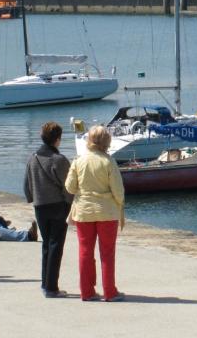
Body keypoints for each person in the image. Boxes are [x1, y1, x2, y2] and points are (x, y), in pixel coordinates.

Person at [65, 125, 126, 302]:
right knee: (107, 253)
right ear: (107, 142)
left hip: (84, 211)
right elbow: (118, 191)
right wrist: (120, 203)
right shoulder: (108, 161)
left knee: (85, 252)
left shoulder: (78, 161)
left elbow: (69, 187)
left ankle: (87, 291)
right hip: (106, 211)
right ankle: (110, 291)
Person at [24, 121, 73, 298]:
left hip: (40, 206)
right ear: (57, 139)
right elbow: (69, 186)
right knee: (56, 245)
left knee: (46, 244)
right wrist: (69, 204)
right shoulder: (59, 160)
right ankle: (52, 287)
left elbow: (27, 185)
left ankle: (45, 283)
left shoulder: (33, 158)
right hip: (58, 206)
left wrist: (33, 199)